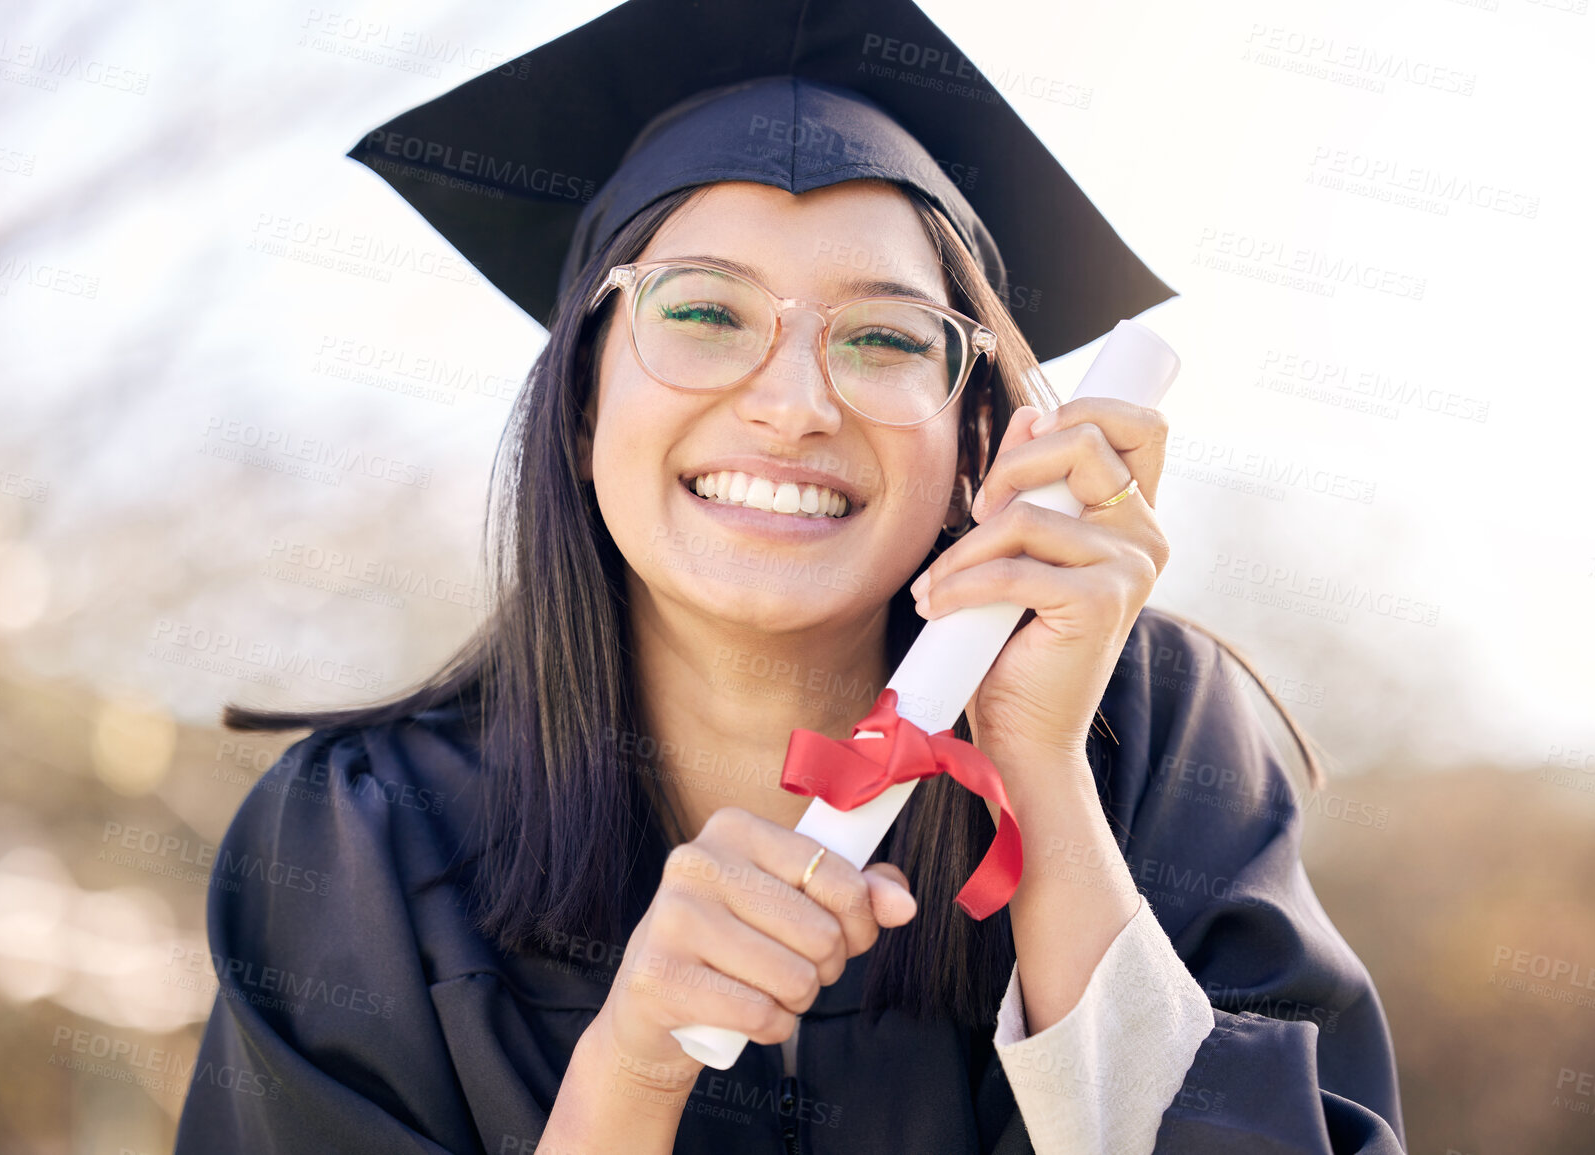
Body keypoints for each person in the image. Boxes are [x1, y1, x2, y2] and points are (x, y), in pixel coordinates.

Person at [175, 1, 1405, 1151]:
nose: (793, 404)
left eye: (882, 338)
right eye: (704, 313)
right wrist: (632, 1070)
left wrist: (1039, 766)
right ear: (582, 392)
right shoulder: (361, 841)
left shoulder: (1148, 740)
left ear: (979, 434)